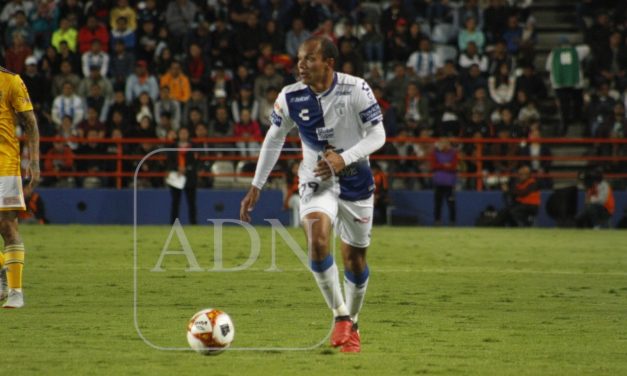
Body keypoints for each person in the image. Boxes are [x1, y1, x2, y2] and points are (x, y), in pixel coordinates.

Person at [240, 37, 386, 353]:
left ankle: (354, 322)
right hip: (316, 181)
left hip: (356, 181)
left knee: (355, 261)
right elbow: (273, 138)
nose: (300, 66)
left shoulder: (356, 89)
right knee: (317, 240)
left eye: (308, 59)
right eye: (299, 59)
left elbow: (378, 134)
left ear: (329, 62)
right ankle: (340, 316)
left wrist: (343, 158)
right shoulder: (290, 97)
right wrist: (256, 185)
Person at [0, 65, 40, 308]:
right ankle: (4, 272)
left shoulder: (11, 81)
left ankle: (16, 292)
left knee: (6, 224)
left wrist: (33, 161)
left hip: (4, 162)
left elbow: (30, 123)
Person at [167, 127, 198, 225]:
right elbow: (169, 160)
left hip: (190, 177)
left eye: (185, 133)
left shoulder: (194, 146)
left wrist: (187, 169)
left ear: (188, 134)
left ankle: (193, 223)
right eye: (181, 133)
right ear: (178, 134)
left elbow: (197, 162)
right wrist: (177, 168)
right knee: (175, 202)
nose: (183, 135)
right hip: (176, 176)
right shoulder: (172, 146)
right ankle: (173, 223)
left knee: (191, 202)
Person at [430, 138, 458, 226]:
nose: (444, 145)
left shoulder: (453, 154)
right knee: (438, 203)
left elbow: (454, 166)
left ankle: (452, 221)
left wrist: (441, 166)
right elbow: (433, 166)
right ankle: (437, 221)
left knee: (451, 203)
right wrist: (445, 165)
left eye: (445, 143)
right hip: (438, 182)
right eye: (442, 143)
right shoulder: (435, 153)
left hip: (449, 182)